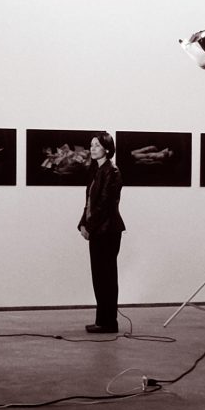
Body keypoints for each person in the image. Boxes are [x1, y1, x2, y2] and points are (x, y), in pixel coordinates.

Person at [78, 133, 126, 334]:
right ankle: (102, 321)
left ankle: (109, 322)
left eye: (97, 145)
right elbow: (90, 202)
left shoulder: (112, 171)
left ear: (107, 148)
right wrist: (82, 223)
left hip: (108, 231)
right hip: (98, 229)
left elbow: (105, 204)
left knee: (107, 277)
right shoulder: (96, 170)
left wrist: (89, 226)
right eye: (91, 145)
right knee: (99, 277)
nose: (92, 148)